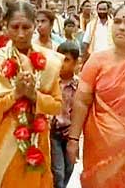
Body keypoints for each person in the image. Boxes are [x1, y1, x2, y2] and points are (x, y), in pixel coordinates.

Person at [67, 4, 125, 188]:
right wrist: (73, 140)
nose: (122, 27)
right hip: (98, 143)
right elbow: (81, 102)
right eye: (118, 21)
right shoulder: (96, 61)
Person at [0, 0, 63, 188]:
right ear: (6, 27)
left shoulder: (49, 60)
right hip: (6, 141)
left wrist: (34, 96)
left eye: (26, 27)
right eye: (15, 27)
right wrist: (15, 95)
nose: (21, 33)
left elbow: (57, 106)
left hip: (38, 137)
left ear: (35, 26)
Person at [51, 41, 79, 188]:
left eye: (66, 60)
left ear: (76, 63)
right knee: (58, 172)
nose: (62, 63)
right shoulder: (52, 82)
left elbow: (81, 110)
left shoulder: (79, 85)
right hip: (54, 132)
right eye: (59, 59)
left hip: (70, 133)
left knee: (68, 169)